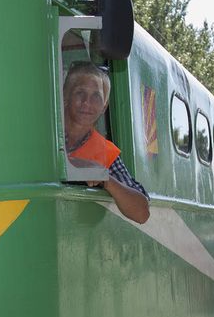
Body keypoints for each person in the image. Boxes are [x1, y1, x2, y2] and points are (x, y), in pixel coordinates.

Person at [62, 63, 150, 224]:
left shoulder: (105, 153)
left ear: (104, 107)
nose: (87, 102)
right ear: (65, 97)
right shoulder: (45, 138)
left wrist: (103, 177)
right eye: (80, 93)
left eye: (96, 96)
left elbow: (142, 213)